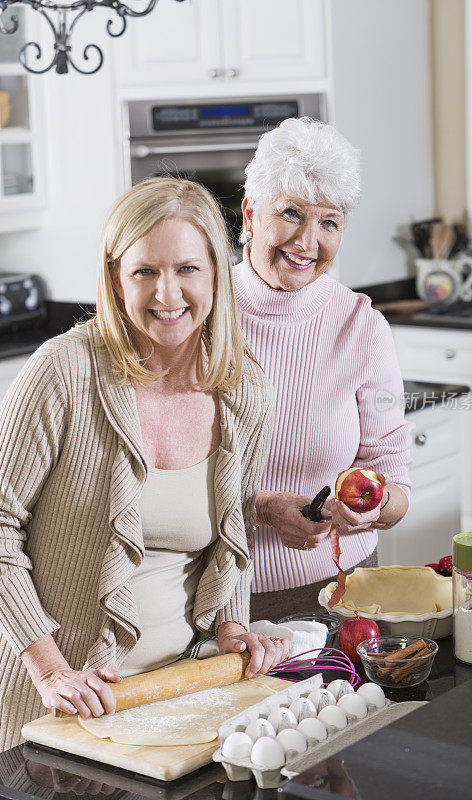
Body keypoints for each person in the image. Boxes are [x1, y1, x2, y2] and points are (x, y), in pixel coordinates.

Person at [0, 177, 288, 752]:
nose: (167, 293)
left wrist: (232, 629)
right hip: (62, 705)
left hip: (184, 696)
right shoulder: (63, 373)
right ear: (115, 278)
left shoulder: (244, 390)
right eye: (144, 272)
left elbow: (230, 542)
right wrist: (51, 668)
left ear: (216, 274)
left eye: (187, 269)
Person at [231, 117, 412, 621]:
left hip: (343, 592)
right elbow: (158, 480)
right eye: (291, 213)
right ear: (250, 214)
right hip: (224, 599)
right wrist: (261, 507)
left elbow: (394, 476)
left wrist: (375, 510)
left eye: (329, 222)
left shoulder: (361, 325)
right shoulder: (199, 314)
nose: (308, 242)